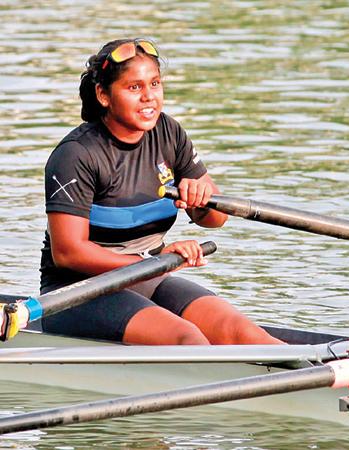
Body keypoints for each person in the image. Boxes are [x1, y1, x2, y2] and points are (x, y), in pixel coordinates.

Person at [40, 38, 283, 345]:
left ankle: (317, 379)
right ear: (103, 95)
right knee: (188, 339)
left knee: (244, 333)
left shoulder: (168, 132)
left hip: (148, 279)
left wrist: (201, 203)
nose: (149, 98)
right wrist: (150, 262)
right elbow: (68, 253)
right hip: (76, 293)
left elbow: (216, 220)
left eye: (154, 84)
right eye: (134, 88)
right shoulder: (77, 154)